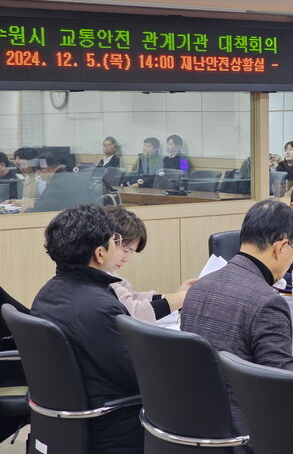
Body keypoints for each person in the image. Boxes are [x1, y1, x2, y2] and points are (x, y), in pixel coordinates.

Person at [180, 199, 293, 448]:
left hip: (197, 429)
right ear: (281, 247)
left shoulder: (199, 287)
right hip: (245, 435)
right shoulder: (267, 302)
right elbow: (288, 393)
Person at [31, 204, 143, 453]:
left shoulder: (47, 292)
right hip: (111, 423)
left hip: (68, 418)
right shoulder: (99, 307)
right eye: (115, 242)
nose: (118, 248)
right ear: (100, 254)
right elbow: (138, 377)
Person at [106, 205, 194, 323]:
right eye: (126, 250)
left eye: (131, 252)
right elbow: (133, 313)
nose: (126, 259)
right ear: (110, 240)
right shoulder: (100, 275)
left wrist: (173, 296)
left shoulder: (107, 271)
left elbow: (130, 296)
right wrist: (181, 298)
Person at [28, 152, 97, 212]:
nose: (40, 177)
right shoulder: (79, 178)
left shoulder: (55, 184)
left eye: (39, 174)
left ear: (45, 170)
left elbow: (45, 209)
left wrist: (26, 210)